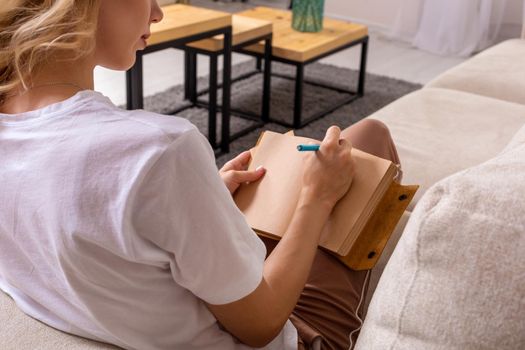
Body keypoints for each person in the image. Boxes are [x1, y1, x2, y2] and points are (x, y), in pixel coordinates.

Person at [0, 1, 401, 349]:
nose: (157, 13)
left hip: (139, 301)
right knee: (369, 135)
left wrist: (202, 194)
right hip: (281, 332)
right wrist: (319, 198)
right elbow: (261, 326)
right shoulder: (158, 147)